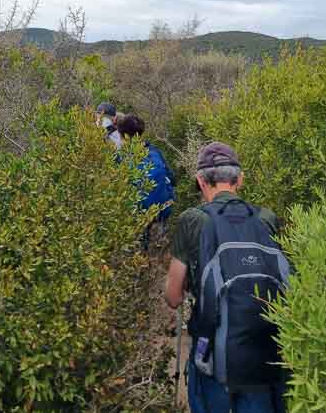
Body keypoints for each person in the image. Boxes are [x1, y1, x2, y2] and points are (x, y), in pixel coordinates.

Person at [165, 142, 289, 413]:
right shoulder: (266, 218)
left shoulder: (192, 220)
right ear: (239, 179)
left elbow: (173, 297)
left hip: (212, 353)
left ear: (200, 180)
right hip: (265, 350)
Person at [116, 114, 176, 248]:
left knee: (137, 248)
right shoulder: (155, 152)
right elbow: (172, 179)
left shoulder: (120, 157)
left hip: (136, 213)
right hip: (162, 209)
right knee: (157, 249)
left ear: (122, 135)